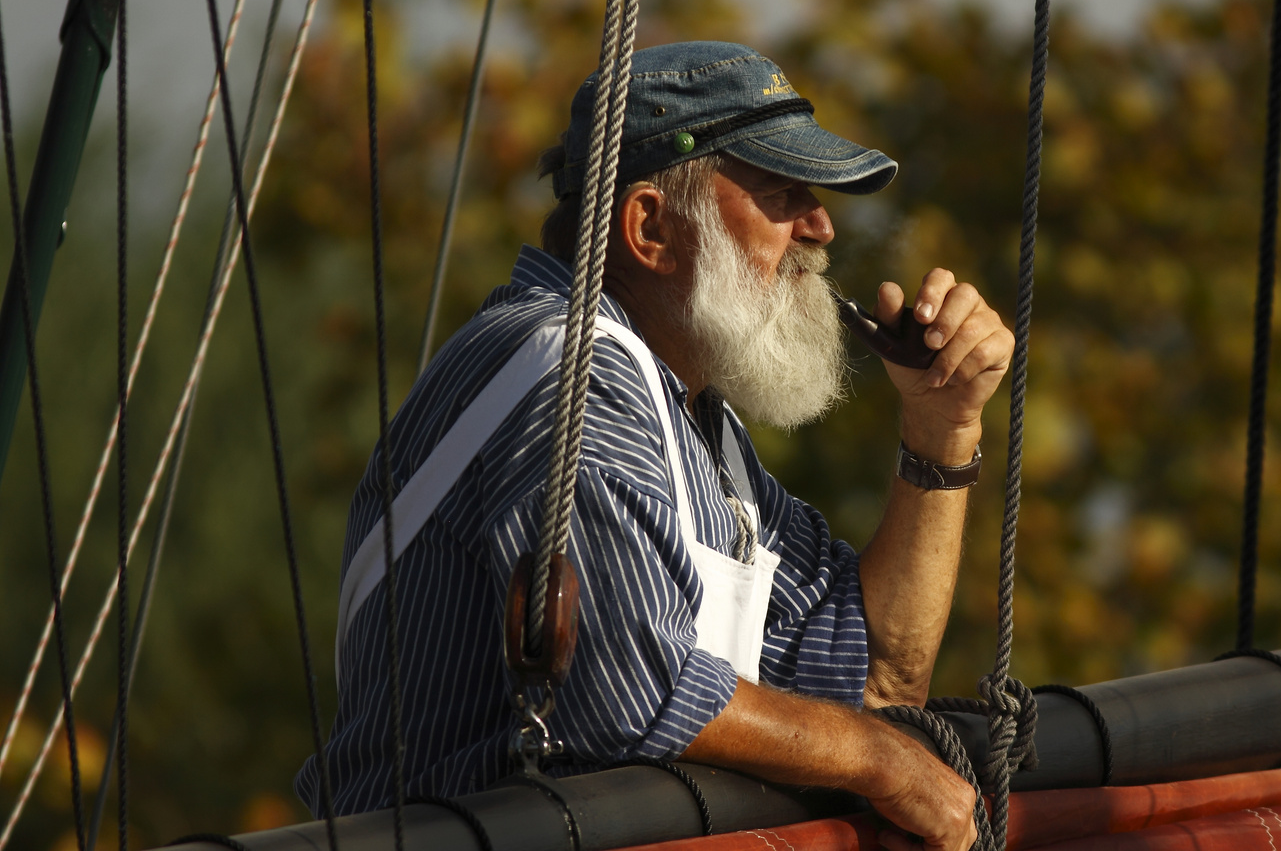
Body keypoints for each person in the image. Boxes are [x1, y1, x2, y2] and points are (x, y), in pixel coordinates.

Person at [299, 41, 1013, 851]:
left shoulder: (694, 420)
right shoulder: (570, 372)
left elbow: (875, 680)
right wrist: (878, 762)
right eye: (781, 193)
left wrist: (942, 433)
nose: (821, 227)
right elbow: (628, 686)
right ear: (649, 228)